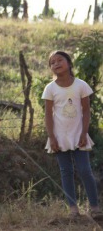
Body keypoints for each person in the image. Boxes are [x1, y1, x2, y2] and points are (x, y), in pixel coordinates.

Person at [42, 50, 102, 220]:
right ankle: (73, 209)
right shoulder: (50, 89)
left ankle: (95, 207)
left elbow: (86, 111)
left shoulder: (81, 85)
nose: (56, 64)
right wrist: (52, 138)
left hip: (78, 135)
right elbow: (48, 115)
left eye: (59, 60)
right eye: (52, 62)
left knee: (85, 170)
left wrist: (84, 133)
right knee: (65, 171)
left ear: (69, 63)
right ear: (51, 68)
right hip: (59, 137)